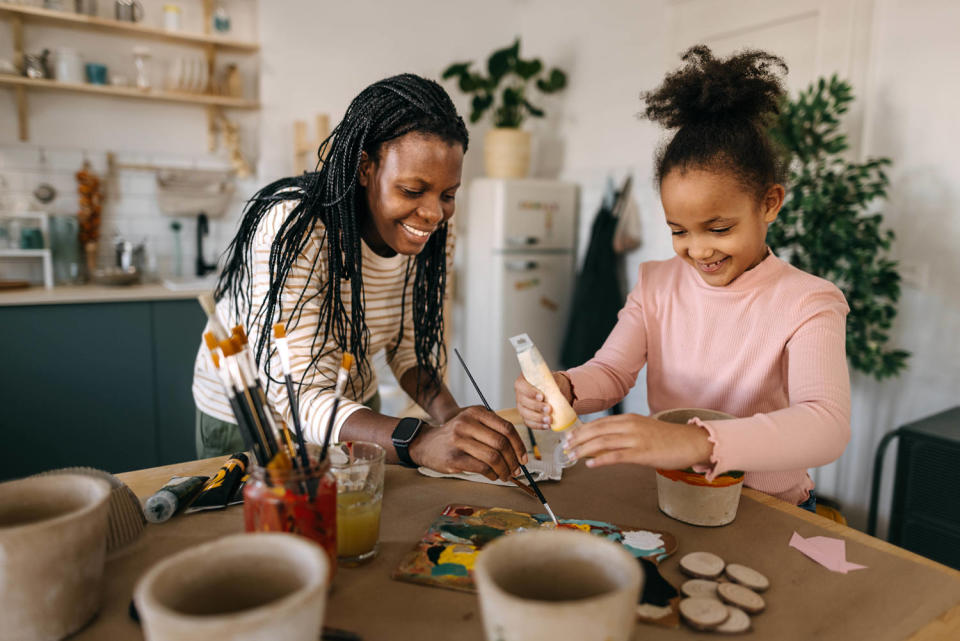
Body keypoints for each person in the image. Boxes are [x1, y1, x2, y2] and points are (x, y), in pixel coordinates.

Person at [515, 47, 851, 510]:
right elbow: (612, 371)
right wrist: (566, 388)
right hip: (672, 494)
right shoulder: (656, 283)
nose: (699, 250)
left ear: (770, 203)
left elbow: (825, 425)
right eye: (679, 231)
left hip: (765, 508)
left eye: (719, 229)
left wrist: (697, 443)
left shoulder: (808, 301)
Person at [194, 73, 527, 482]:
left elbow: (409, 351)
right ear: (365, 168)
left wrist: (452, 420)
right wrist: (419, 441)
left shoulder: (432, 232)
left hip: (350, 405)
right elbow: (297, 398)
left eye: (448, 194)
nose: (433, 213)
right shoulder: (296, 228)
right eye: (411, 190)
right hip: (256, 420)